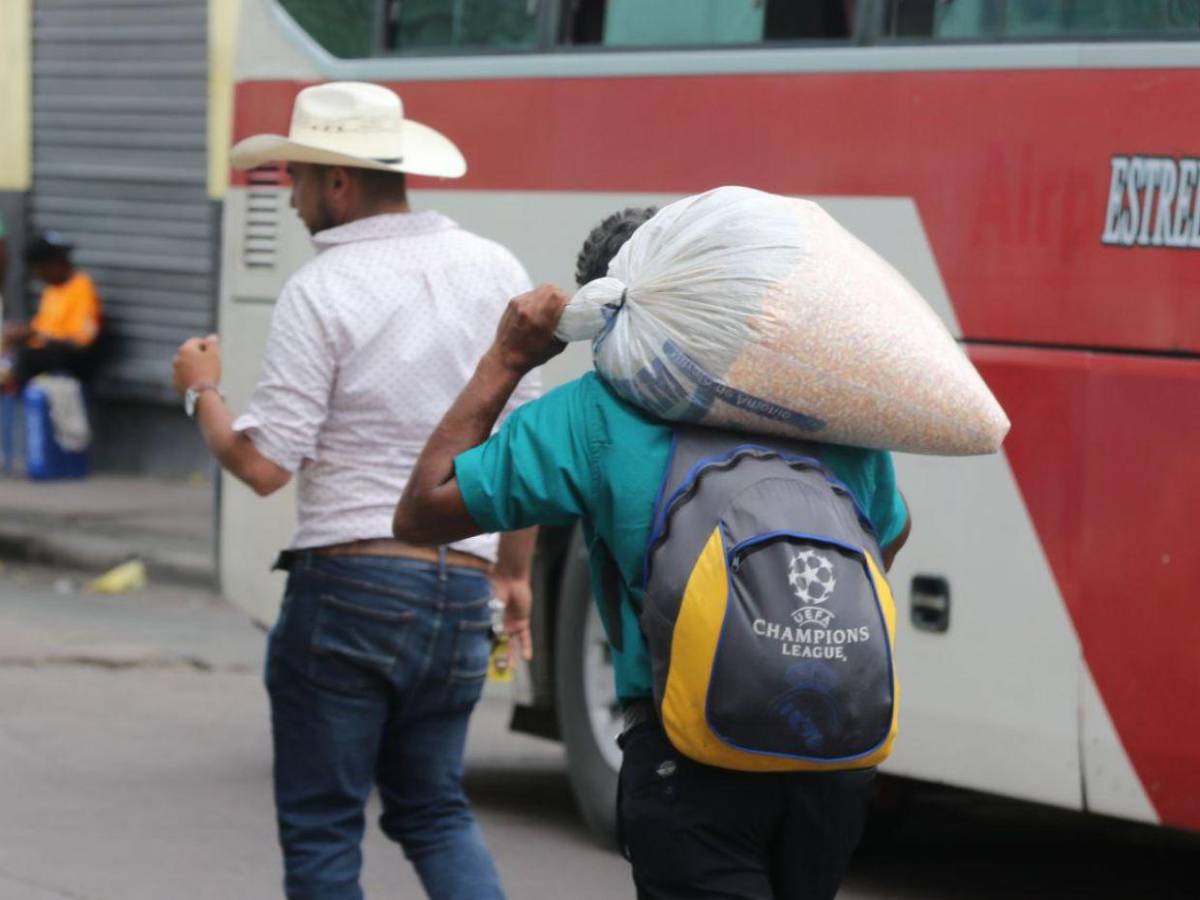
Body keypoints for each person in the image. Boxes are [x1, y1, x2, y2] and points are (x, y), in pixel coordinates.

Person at [393, 209, 912, 900]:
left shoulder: (594, 415)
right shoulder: (818, 405)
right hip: (828, 760)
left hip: (689, 757)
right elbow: (887, 535)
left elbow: (423, 509)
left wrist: (507, 359)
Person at [171, 82, 540, 900]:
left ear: (337, 183)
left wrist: (202, 392)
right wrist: (513, 576)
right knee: (436, 810)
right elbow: (522, 452)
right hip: (460, 592)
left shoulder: (323, 287)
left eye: (297, 180)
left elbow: (266, 465)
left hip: (350, 586)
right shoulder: (495, 269)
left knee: (322, 825)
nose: (295, 202)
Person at [1, 232, 102, 388]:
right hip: (47, 351)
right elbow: (40, 328)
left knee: (25, 358)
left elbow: (81, 340)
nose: (38, 275)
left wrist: (38, 336)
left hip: (72, 357)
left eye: (39, 269)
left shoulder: (81, 287)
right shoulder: (52, 291)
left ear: (53, 265)